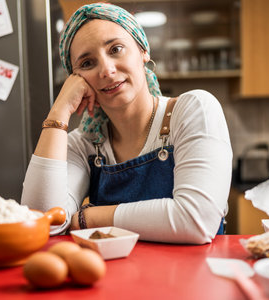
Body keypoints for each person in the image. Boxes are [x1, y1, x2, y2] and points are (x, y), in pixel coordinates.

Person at [21, 3, 232, 244]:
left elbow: (196, 220)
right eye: (87, 63)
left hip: (193, 280)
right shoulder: (83, 144)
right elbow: (44, 222)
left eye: (116, 49)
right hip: (115, 281)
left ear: (143, 51)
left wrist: (88, 217)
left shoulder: (194, 109)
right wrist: (59, 112)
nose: (107, 70)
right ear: (76, 79)